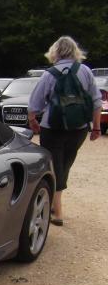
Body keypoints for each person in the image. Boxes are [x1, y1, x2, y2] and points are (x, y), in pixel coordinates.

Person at [28, 36, 102, 226]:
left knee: (54, 166)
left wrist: (33, 122)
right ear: (75, 51)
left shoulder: (49, 74)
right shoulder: (85, 71)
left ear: (55, 52)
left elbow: (35, 104)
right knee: (66, 164)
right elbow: (96, 102)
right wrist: (96, 127)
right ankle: (55, 203)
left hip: (53, 128)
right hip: (78, 129)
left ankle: (58, 212)